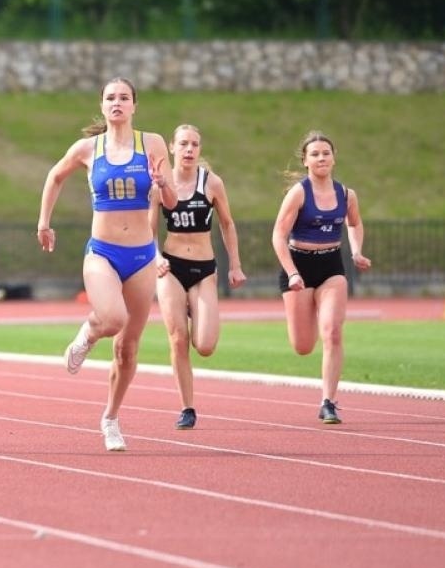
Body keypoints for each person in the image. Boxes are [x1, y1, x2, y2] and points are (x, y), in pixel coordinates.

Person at [37, 77, 175, 452]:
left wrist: (162, 185)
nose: (117, 103)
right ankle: (86, 335)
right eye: (111, 97)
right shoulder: (87, 148)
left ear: (134, 106)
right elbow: (55, 176)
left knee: (128, 348)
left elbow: (173, 202)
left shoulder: (153, 143)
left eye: (124, 98)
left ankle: (111, 419)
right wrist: (44, 222)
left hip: (143, 256)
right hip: (103, 252)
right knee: (113, 319)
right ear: (102, 106)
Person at [270, 131, 371, 425]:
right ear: (305, 161)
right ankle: (309, 311)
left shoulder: (346, 194)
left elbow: (355, 223)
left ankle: (328, 402)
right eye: (314, 154)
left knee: (333, 332)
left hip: (331, 266)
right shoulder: (299, 193)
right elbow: (278, 234)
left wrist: (356, 252)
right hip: (298, 266)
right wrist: (291, 272)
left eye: (326, 153)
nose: (321, 158)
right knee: (303, 346)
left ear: (334, 157)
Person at [155, 123, 246, 430]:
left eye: (194, 144)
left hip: (204, 268)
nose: (189, 150)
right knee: (178, 339)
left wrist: (234, 265)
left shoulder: (211, 183)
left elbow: (228, 224)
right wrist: (155, 258)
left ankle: (195, 306)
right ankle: (187, 408)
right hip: (171, 268)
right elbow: (147, 226)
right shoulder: (160, 184)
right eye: (183, 144)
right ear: (172, 147)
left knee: (205, 346)